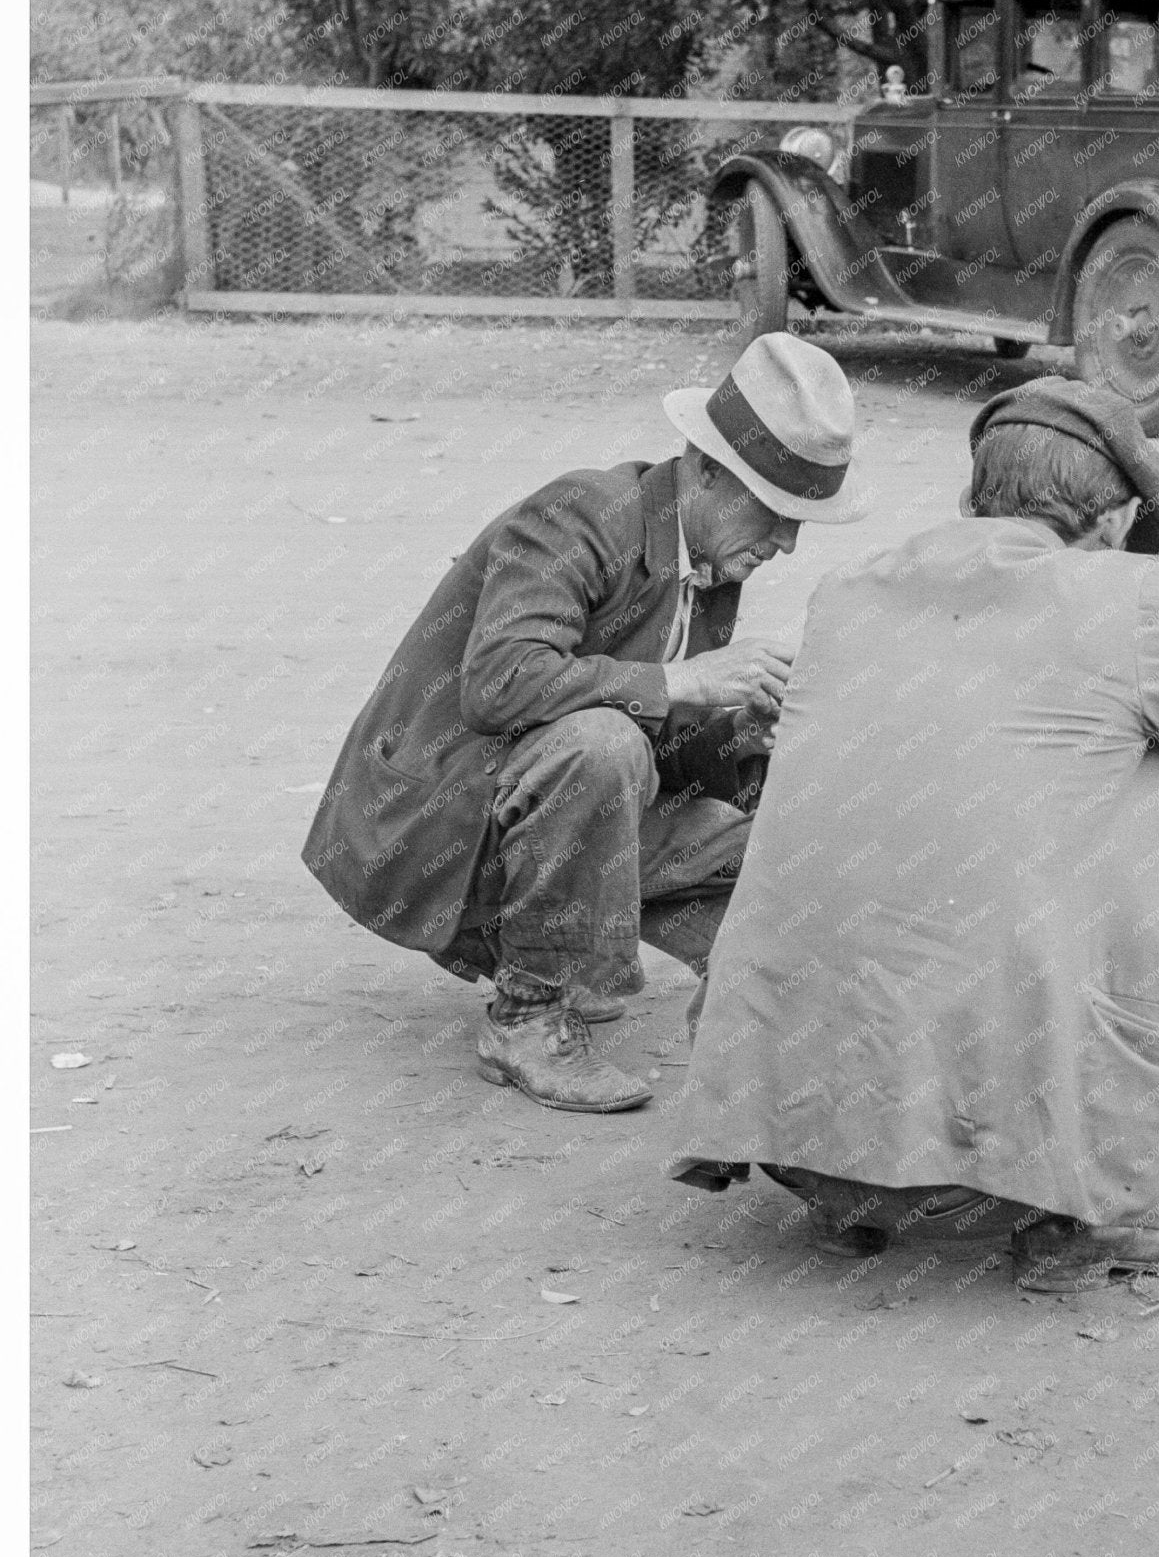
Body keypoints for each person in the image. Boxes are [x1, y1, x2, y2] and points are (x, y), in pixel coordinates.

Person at [668, 380, 1159, 1292]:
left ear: (973, 500)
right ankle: (1093, 1209)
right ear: (1116, 519)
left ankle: (849, 1201)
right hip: (997, 1173)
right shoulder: (1132, 603)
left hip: (790, 1143)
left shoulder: (846, 594)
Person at [302, 334, 869, 1114]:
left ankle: (730, 1015)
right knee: (599, 748)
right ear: (705, 471)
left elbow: (654, 740)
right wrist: (682, 679)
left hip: (530, 802)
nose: (787, 543)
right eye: (774, 513)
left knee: (772, 845)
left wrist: (739, 729)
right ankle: (527, 1016)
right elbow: (500, 687)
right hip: (434, 822)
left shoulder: (705, 552)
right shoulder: (582, 513)